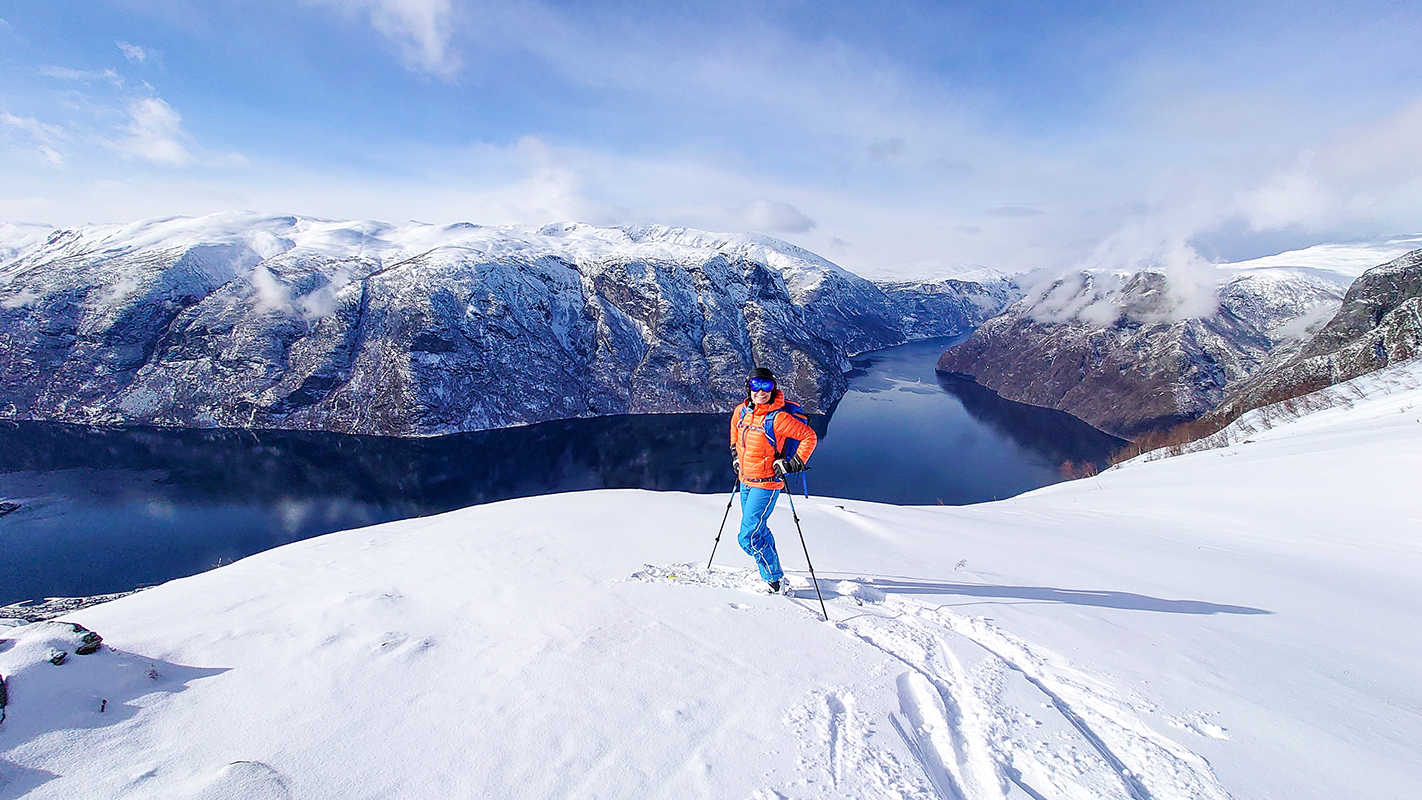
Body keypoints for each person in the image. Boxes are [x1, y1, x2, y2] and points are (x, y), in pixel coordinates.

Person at [730, 367, 817, 593]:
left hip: (767, 484)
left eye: (766, 386)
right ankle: (771, 574)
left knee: (747, 538)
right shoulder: (741, 412)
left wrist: (792, 464)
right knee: (758, 530)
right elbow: (734, 435)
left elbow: (809, 436)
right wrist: (735, 457)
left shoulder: (778, 418)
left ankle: (774, 580)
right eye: (756, 385)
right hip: (745, 481)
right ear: (748, 388)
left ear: (773, 388)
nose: (761, 391)